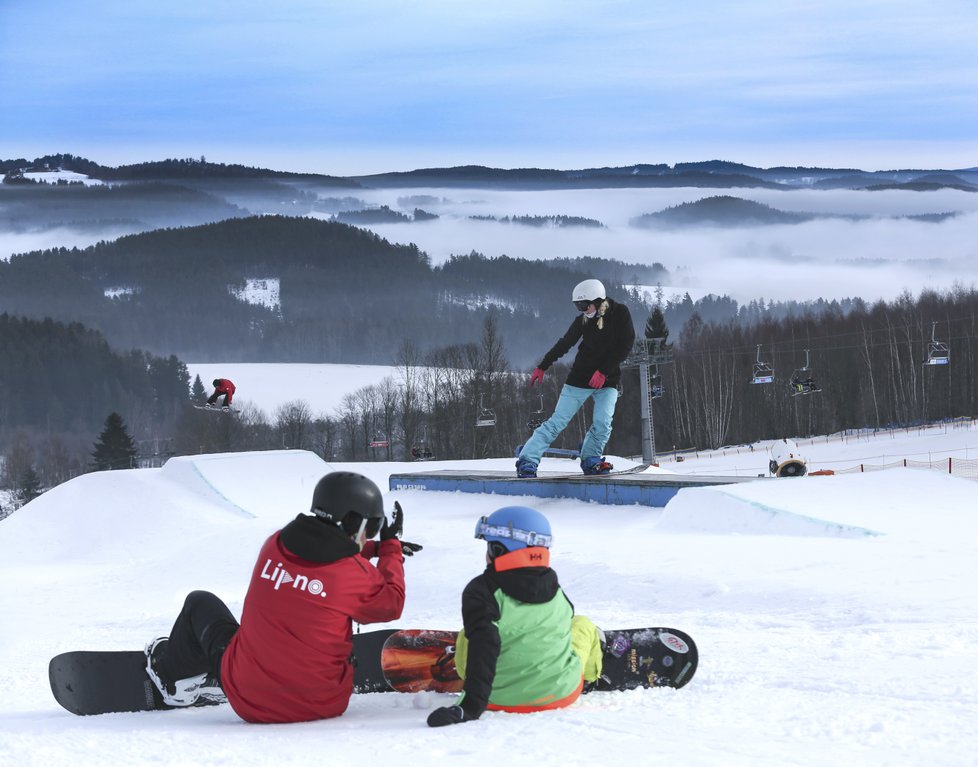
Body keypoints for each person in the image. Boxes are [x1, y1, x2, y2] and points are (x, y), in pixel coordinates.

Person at [143, 471, 422, 724]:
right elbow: (391, 602)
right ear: (352, 522)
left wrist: (374, 548)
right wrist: (389, 548)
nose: (368, 535)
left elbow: (322, 552)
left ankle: (175, 677)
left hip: (248, 698)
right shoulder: (355, 575)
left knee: (200, 602)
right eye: (370, 528)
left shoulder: (275, 545)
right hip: (324, 703)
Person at [426, 505, 603, 727]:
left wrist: (469, 707)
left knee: (468, 635)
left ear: (499, 550)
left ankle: (464, 663)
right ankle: (590, 676)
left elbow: (484, 645)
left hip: (494, 697)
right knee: (581, 624)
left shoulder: (482, 590)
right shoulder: (555, 588)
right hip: (562, 693)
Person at [516, 279, 635, 477]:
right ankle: (527, 460)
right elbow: (565, 344)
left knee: (603, 423)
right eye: (577, 306)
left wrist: (604, 372)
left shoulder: (620, 313)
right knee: (558, 422)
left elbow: (626, 345)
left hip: (608, 380)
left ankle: (590, 459)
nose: (582, 310)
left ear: (597, 301)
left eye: (583, 305)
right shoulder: (583, 320)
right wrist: (542, 366)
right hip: (580, 378)